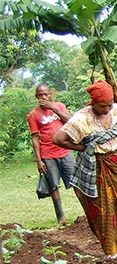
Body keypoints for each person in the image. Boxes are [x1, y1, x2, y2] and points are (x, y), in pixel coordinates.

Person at [52, 80, 117, 259]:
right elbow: (58, 139)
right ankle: (110, 250)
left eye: (109, 105)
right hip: (95, 166)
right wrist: (85, 147)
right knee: (102, 209)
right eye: (102, 106)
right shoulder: (82, 118)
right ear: (93, 102)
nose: (106, 110)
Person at [27, 84, 74, 224]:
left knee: (76, 182)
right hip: (48, 154)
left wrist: (53, 108)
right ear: (37, 97)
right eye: (40, 95)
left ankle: (87, 211)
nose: (43, 97)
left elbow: (71, 121)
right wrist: (39, 160)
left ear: (50, 94)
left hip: (65, 150)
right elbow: (35, 138)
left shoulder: (59, 106)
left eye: (46, 94)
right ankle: (61, 217)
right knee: (53, 185)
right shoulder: (33, 115)